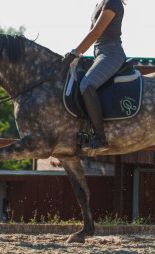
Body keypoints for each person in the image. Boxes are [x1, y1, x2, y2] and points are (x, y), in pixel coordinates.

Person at [63, 0, 126, 152]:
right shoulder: (100, 4)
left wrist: (75, 53)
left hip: (112, 54)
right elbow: (92, 35)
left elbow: (96, 33)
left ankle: (100, 137)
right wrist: (78, 55)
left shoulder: (113, 2)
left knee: (86, 85)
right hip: (98, 54)